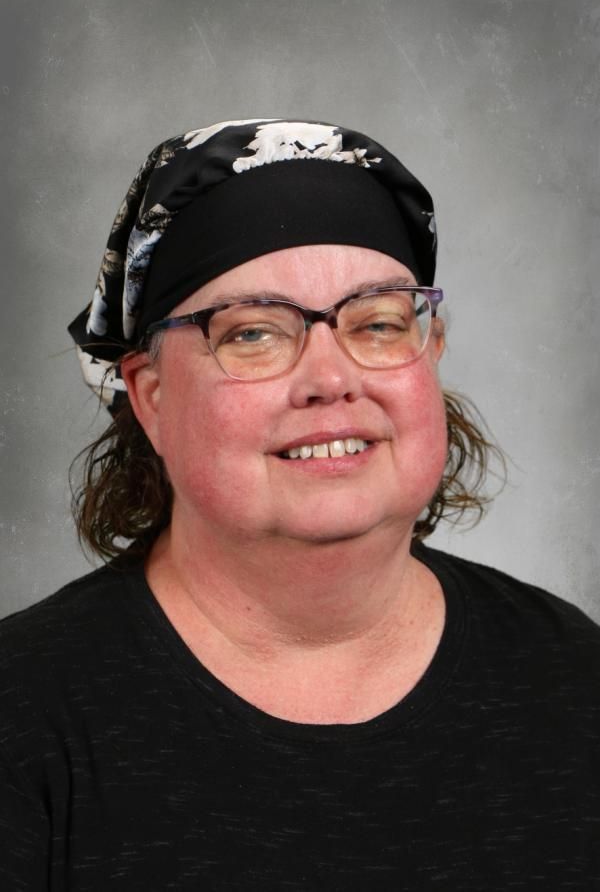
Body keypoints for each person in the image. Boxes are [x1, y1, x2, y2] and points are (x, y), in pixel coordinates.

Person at [1, 118, 598, 890]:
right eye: (254, 333)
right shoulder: (23, 719)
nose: (331, 376)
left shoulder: (574, 686)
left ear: (432, 357)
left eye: (377, 323)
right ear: (151, 398)